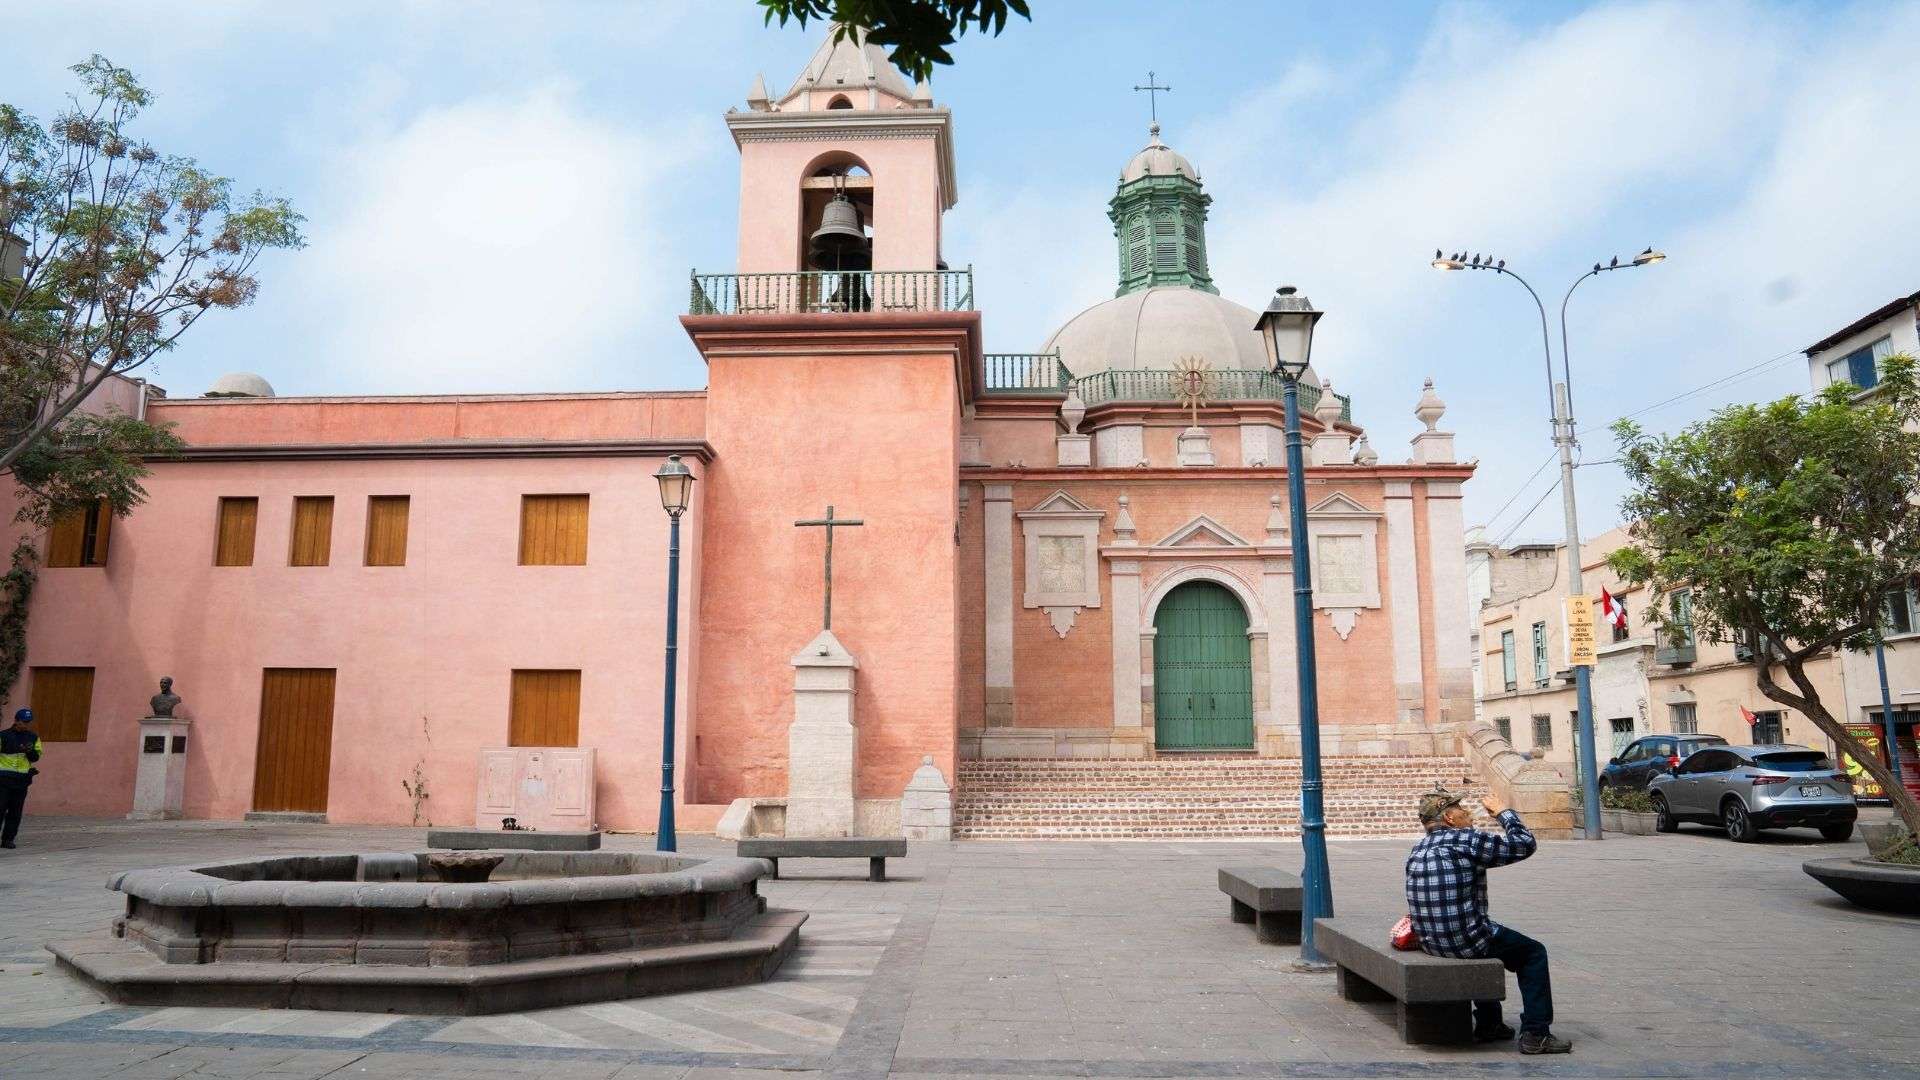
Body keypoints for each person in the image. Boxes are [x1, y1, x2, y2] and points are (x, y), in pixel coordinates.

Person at [1405, 787, 1571, 1055]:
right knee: (1532, 953)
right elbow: (1524, 844)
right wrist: (1503, 813)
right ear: (1449, 817)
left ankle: (1490, 1023)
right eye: (1461, 809)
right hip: (1462, 940)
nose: (1467, 812)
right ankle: (1536, 1033)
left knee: (1482, 932)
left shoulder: (1418, 848)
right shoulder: (1465, 840)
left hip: (1432, 941)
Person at [0, 707, 42, 849]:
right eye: (24, 721)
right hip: (3, 780)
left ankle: (8, 839)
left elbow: (36, 757)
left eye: (28, 722)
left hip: (21, 781)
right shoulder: (4, 736)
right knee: (0, 809)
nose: (26, 724)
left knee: (15, 812)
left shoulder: (33, 737)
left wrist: (30, 751)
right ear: (16, 721)